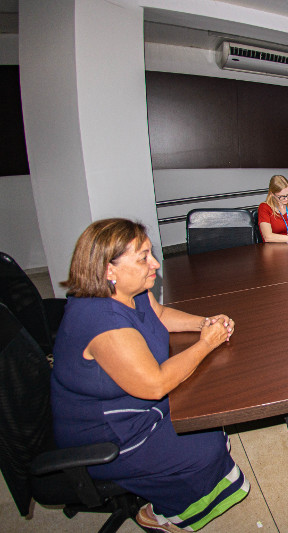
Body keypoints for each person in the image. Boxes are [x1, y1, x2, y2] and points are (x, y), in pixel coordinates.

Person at [51, 218, 249, 532]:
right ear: (108, 270)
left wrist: (204, 323)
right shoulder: (101, 322)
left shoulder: (131, 291)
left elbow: (159, 315)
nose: (155, 263)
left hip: (133, 408)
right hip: (110, 435)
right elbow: (155, 384)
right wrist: (206, 343)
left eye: (151, 253)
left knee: (208, 413)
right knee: (205, 450)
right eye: (143, 258)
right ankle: (161, 516)